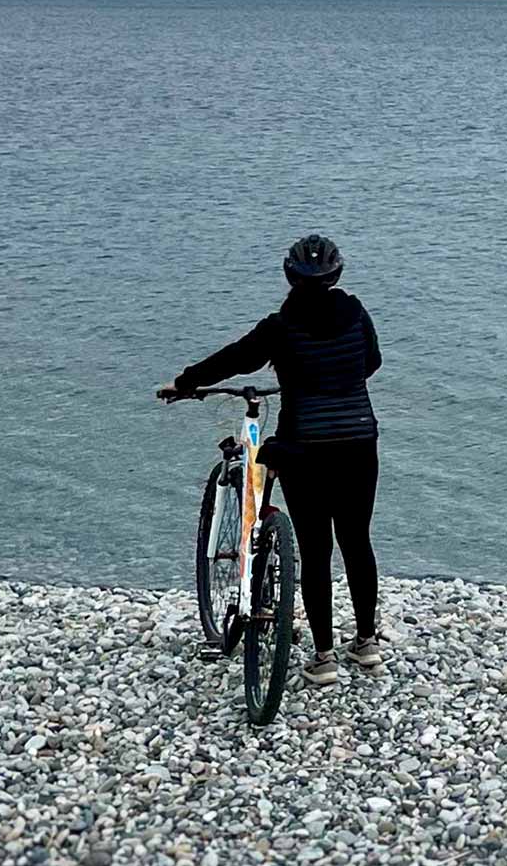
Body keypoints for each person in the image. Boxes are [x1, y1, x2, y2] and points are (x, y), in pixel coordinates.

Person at [159, 233, 385, 684]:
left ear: (289, 275)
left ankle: (324, 659)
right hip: (359, 442)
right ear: (337, 274)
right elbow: (371, 363)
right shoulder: (356, 313)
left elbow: (235, 359)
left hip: (305, 449)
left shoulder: (280, 327)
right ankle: (366, 643)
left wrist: (185, 382)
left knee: (317, 549)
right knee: (357, 541)